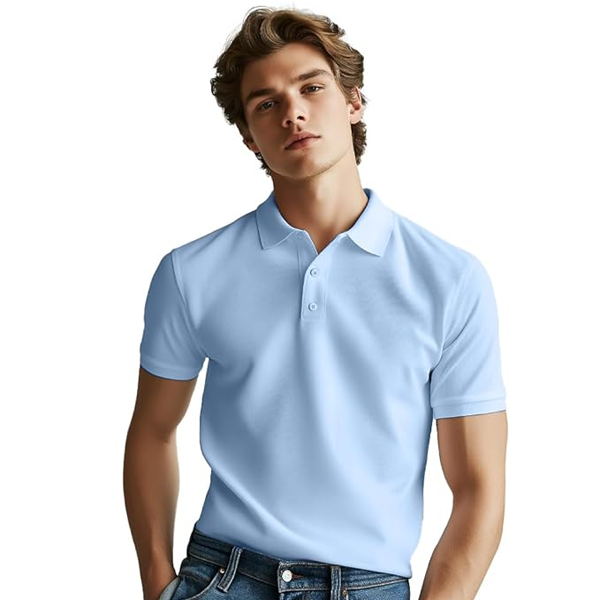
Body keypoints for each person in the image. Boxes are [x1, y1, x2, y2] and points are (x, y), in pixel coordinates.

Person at [123, 6, 508, 600]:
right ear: (248, 136)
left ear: (354, 101)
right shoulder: (190, 272)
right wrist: (157, 583)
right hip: (221, 577)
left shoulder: (450, 280)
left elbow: (479, 487)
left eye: (311, 88)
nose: (293, 112)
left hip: (368, 584)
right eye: (266, 103)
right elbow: (151, 430)